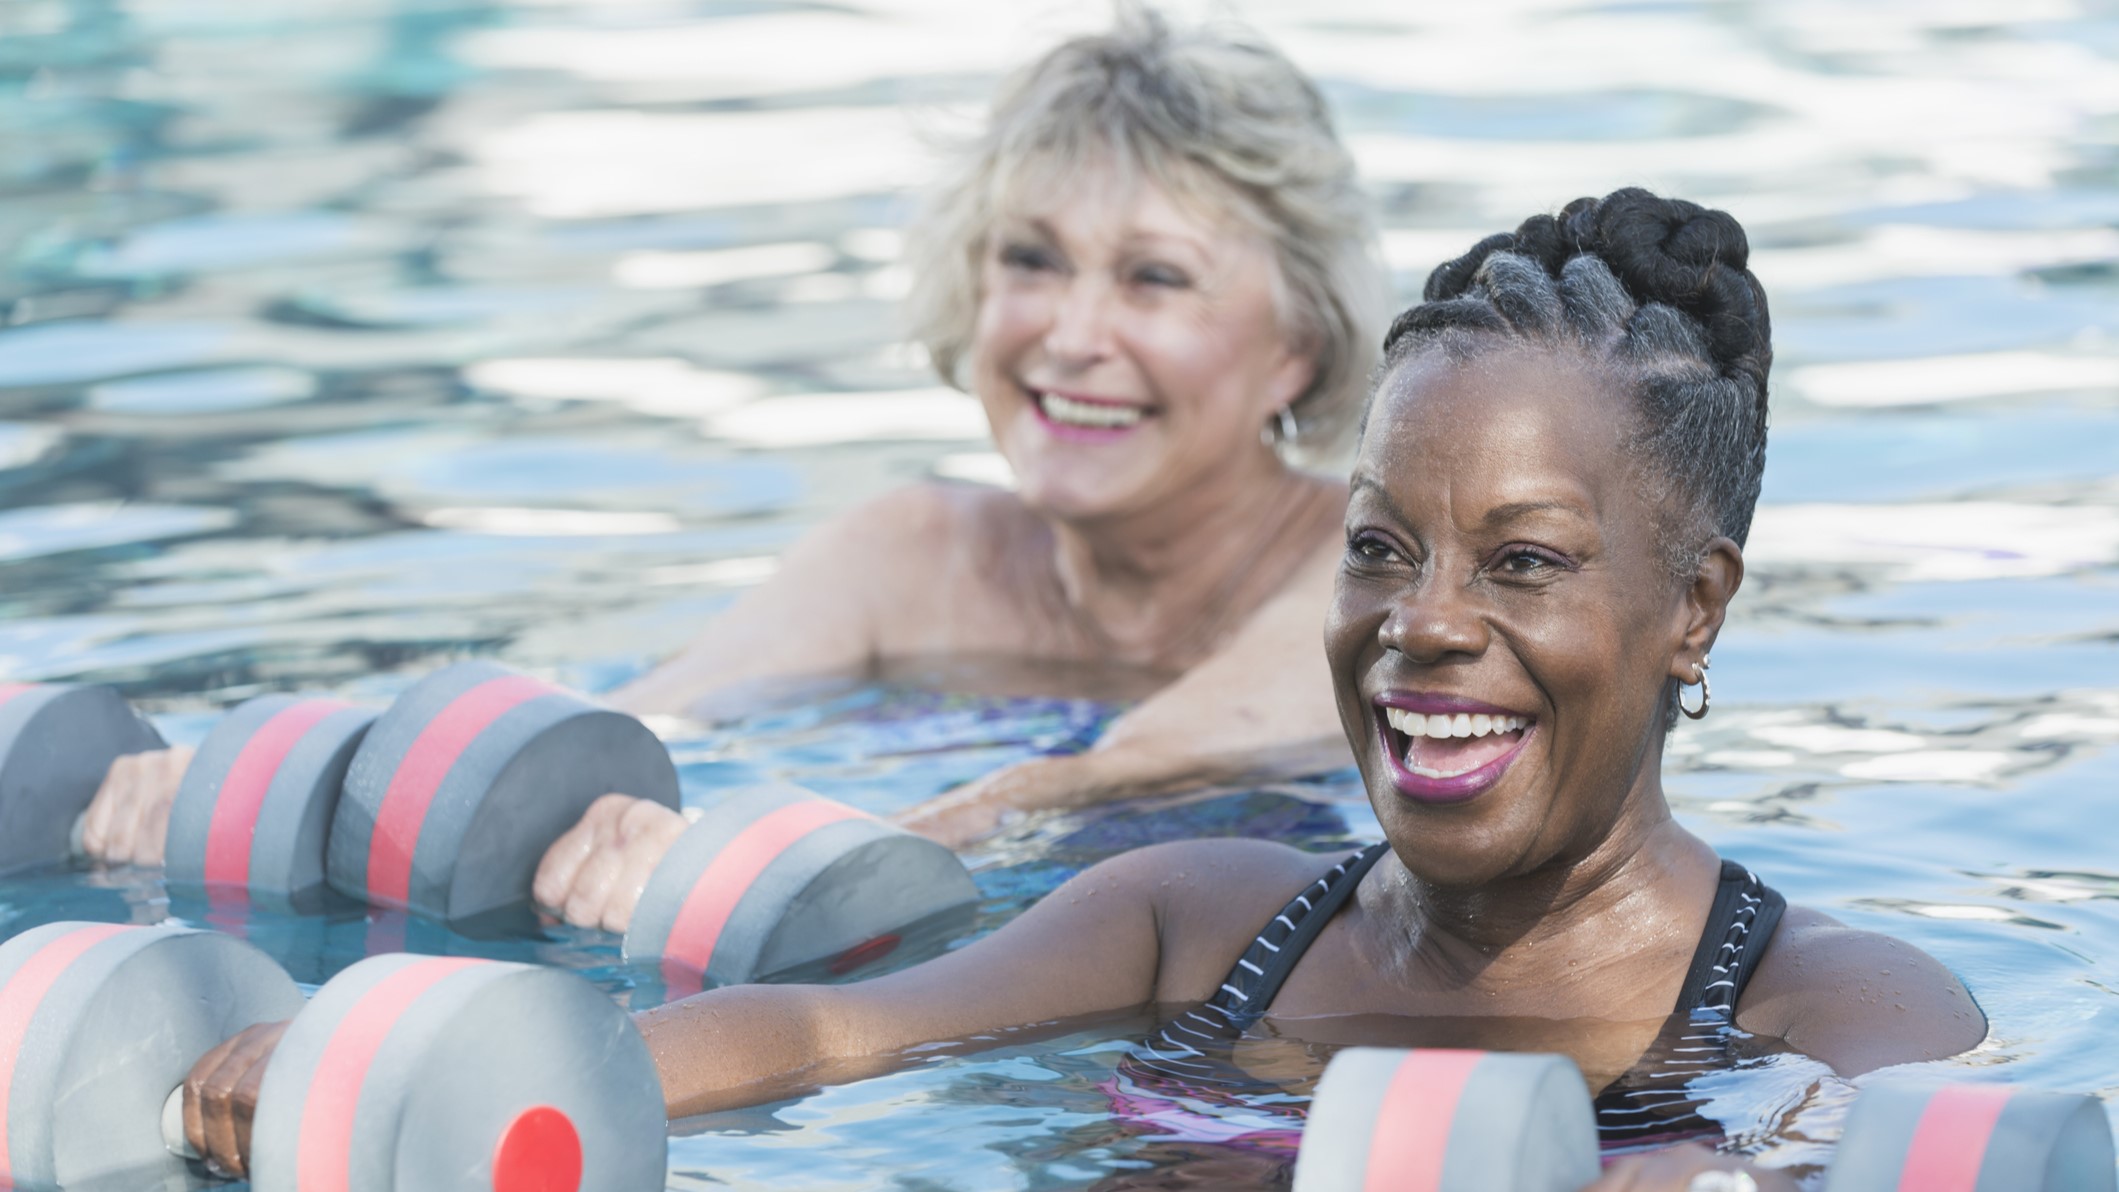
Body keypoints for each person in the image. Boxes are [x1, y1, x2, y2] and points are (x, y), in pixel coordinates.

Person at [182, 191, 1988, 1191]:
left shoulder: (1836, 1006)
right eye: (1378, 549)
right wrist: (427, 1059)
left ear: (1696, 607)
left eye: (1523, 562)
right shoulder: (1194, 923)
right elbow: (830, 1041)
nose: (1423, 624)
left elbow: (1824, 1166)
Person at [78, 10, 1389, 931]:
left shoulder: (1375, 575)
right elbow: (666, 713)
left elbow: (1087, 784)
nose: (1070, 332)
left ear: (1297, 347)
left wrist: (743, 864)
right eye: (1030, 260)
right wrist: (281, 778)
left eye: (1156, 277)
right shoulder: (914, 551)